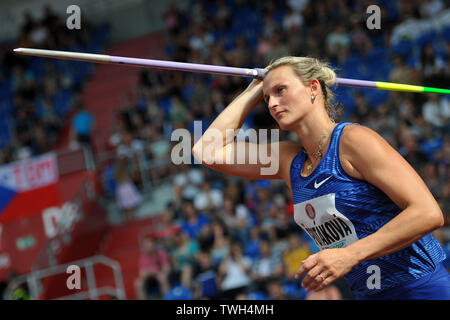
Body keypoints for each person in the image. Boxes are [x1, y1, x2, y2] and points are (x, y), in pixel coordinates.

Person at [192, 56, 449, 300]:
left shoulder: (352, 140)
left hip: (420, 286)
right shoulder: (289, 160)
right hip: (368, 293)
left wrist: (349, 255)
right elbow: (207, 150)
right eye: (266, 98)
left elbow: (428, 213)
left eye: (280, 90)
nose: (271, 104)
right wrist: (254, 89)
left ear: (313, 87)